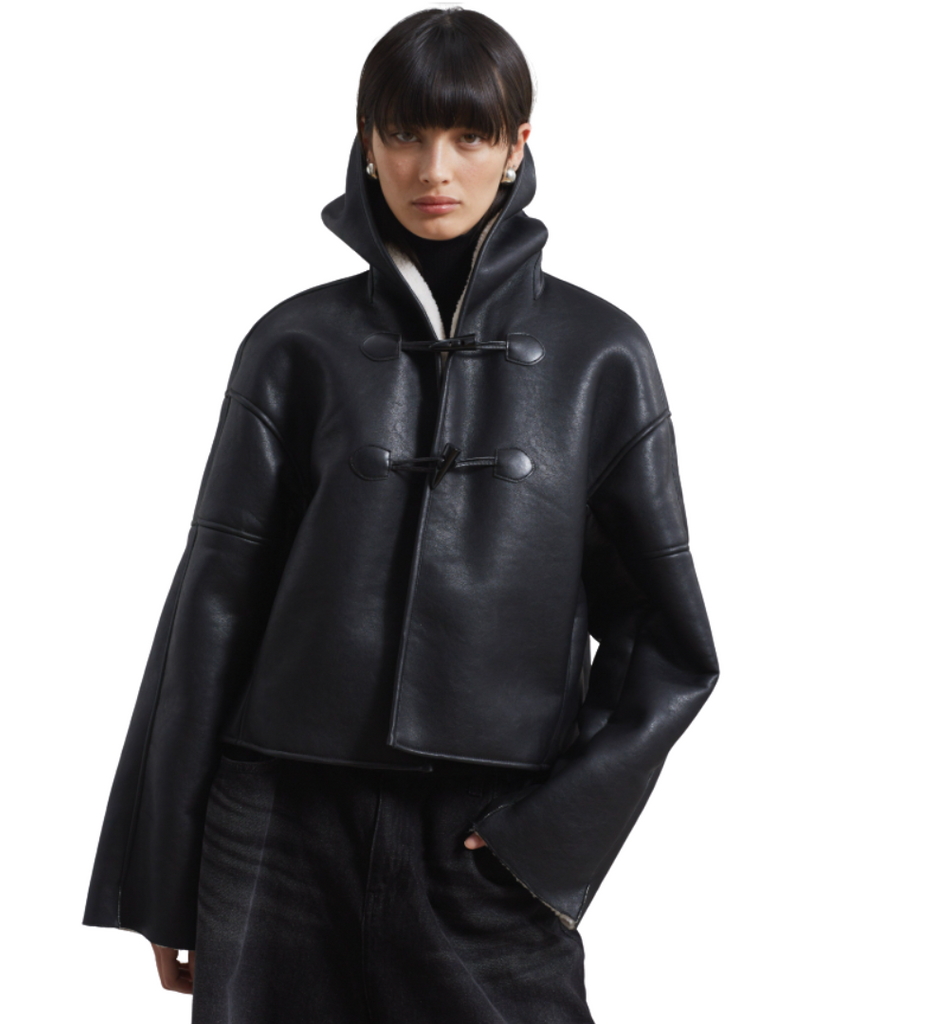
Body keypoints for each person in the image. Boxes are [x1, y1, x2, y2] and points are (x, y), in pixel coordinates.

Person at [82, 8, 719, 1022]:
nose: (435, 169)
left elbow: (666, 640)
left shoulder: (601, 355)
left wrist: (549, 838)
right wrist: (162, 872)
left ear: (517, 147)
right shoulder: (293, 344)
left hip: (485, 838)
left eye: (469, 136)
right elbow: (211, 609)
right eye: (405, 134)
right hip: (276, 827)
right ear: (366, 141)